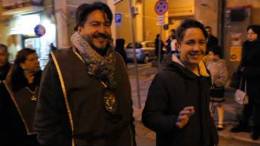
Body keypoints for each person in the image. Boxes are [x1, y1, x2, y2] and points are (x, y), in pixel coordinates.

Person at [34, 2, 136, 146]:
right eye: (95, 24)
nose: (102, 30)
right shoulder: (59, 64)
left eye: (106, 24)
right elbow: (45, 125)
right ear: (80, 28)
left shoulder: (118, 60)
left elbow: (128, 114)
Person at [142, 19, 218, 146]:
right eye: (190, 42)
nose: (197, 48)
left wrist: (213, 138)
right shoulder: (164, 78)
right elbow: (149, 117)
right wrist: (174, 121)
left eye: (201, 42)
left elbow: (206, 113)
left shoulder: (204, 74)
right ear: (178, 46)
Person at [3, 48, 41, 146]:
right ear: (22, 64)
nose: (37, 62)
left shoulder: (44, 81)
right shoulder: (10, 87)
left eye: (37, 58)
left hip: (43, 134)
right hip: (20, 136)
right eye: (32, 60)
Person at [230, 25, 260, 140]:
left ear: (258, 34)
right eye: (248, 33)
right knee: (246, 102)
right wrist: (240, 70)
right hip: (246, 79)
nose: (249, 35)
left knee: (257, 104)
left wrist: (248, 70)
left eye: (252, 33)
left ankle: (257, 129)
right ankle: (243, 124)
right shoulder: (246, 44)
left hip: (257, 80)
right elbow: (243, 61)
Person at [206, 46, 228, 130]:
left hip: (218, 88)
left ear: (217, 55)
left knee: (219, 105)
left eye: (211, 54)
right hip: (209, 88)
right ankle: (210, 122)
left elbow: (224, 77)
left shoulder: (222, 64)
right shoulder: (208, 63)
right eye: (209, 54)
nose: (209, 56)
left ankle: (220, 123)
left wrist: (216, 83)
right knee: (210, 105)